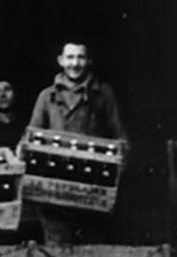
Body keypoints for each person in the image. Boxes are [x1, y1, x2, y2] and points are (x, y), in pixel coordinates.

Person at [27, 40, 128, 244]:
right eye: (70, 57)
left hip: (91, 191)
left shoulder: (103, 94)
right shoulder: (47, 97)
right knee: (58, 249)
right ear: (61, 61)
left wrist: (118, 168)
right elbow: (31, 138)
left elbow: (120, 138)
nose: (75, 63)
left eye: (80, 57)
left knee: (91, 249)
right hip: (54, 191)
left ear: (89, 61)